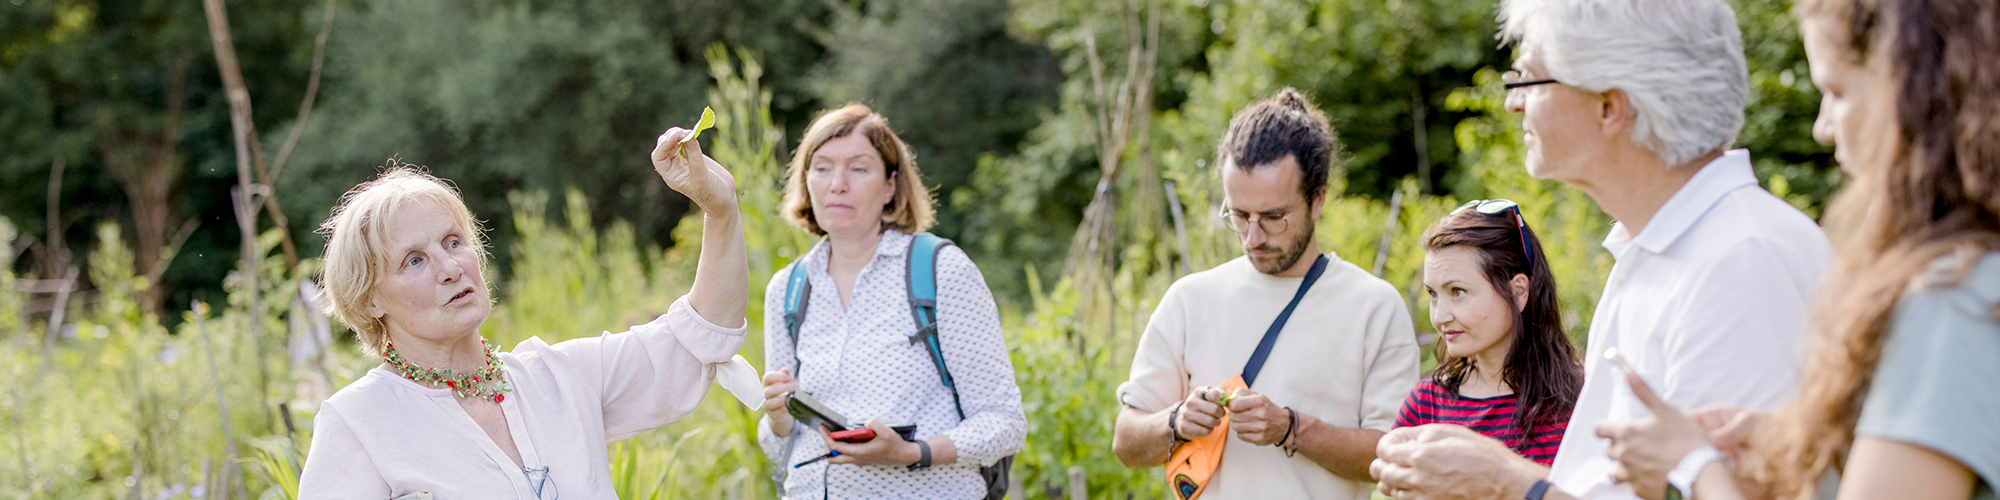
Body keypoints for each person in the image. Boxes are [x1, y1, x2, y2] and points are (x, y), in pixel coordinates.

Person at [1367, 0, 1835, 498]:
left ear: (1609, 106)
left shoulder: (1744, 262)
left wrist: (1510, 485)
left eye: (1527, 79)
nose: (1513, 102)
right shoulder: (1658, 252)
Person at [1596, 0, 2000, 498]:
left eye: (1837, 91)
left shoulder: (1952, 298)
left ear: (1920, 96)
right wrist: (1793, 447)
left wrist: (1693, 472)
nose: (1823, 127)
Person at [297, 124, 748, 497]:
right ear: (368, 299)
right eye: (414, 260)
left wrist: (720, 209)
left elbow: (702, 336)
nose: (450, 267)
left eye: (454, 242)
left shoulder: (561, 378)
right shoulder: (359, 422)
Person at [1110, 88, 1420, 500]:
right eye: (1239, 216)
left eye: (1274, 217)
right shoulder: (1189, 298)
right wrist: (1177, 420)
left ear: (1317, 199)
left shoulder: (1374, 306)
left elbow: (1393, 457)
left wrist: (1291, 428)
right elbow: (1127, 443)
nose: (1254, 237)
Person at [753, 104, 1026, 499]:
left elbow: (1004, 423)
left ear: (889, 186)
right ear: (806, 180)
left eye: (859, 168)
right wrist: (778, 418)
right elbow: (781, 445)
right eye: (823, 167)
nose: (837, 184)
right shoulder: (788, 288)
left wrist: (911, 453)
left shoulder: (940, 271)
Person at [1396, 200, 1583, 466]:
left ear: (1518, 292)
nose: (1439, 317)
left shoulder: (1579, 405)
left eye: (1457, 292)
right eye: (1434, 295)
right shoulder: (1425, 406)